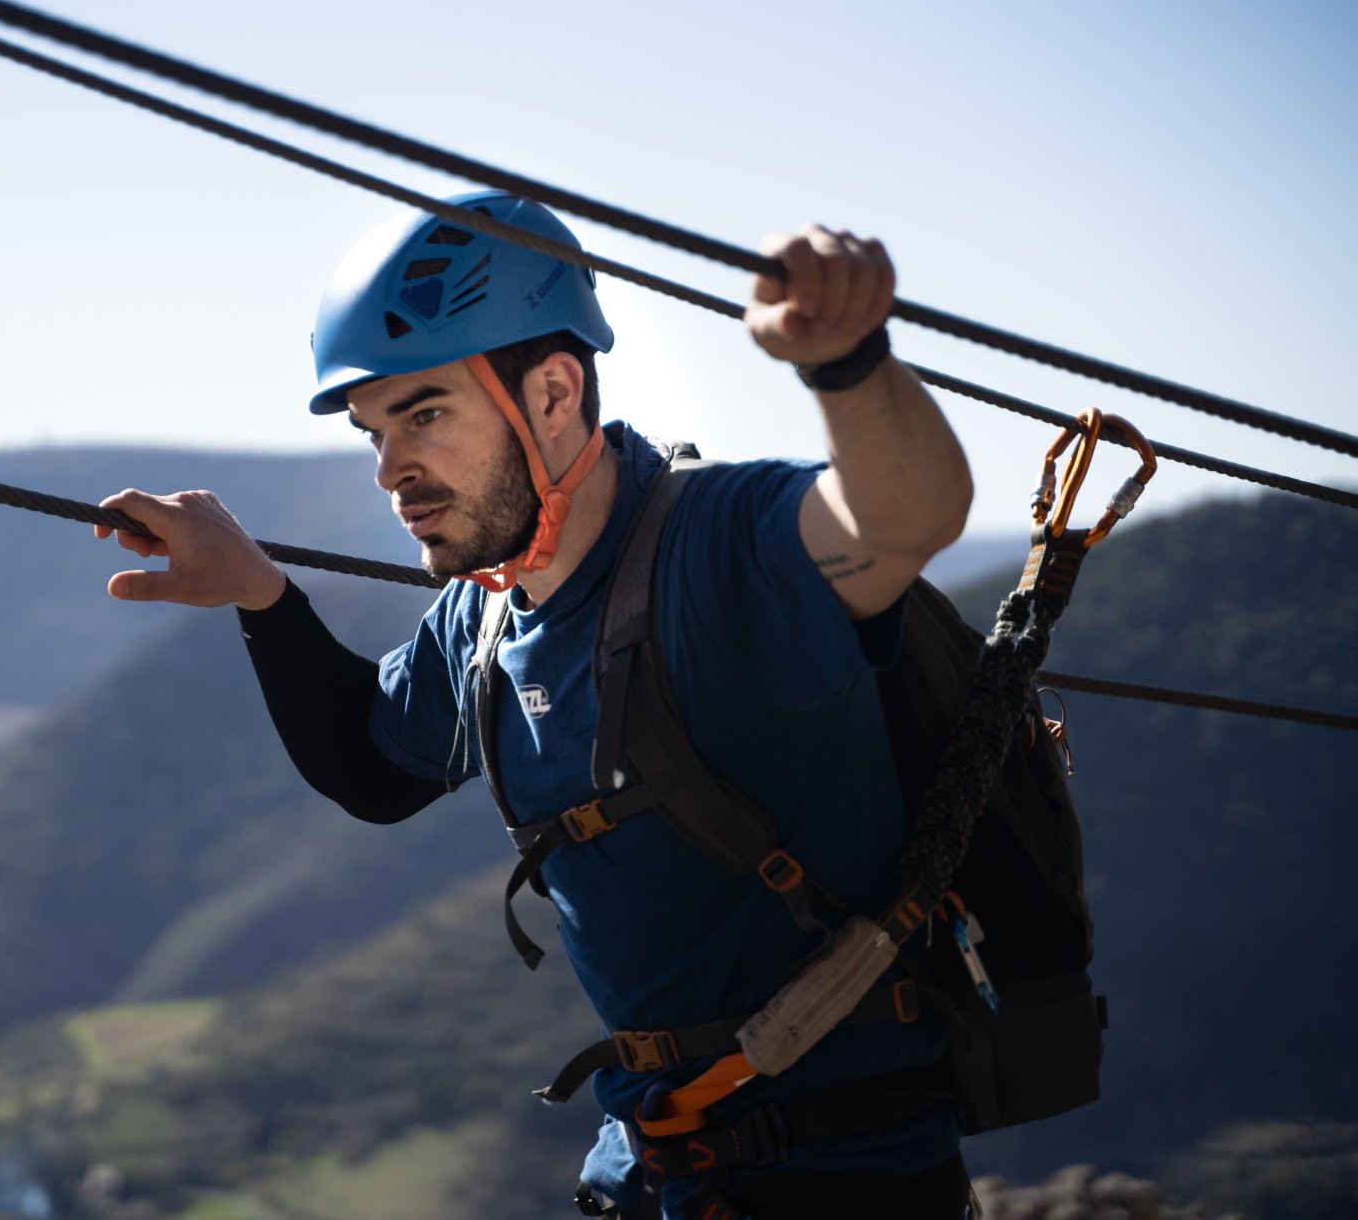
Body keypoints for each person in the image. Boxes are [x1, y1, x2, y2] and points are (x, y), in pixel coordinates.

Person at [94, 193, 976, 1219]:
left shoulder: (719, 548)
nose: (390, 471)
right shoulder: (486, 615)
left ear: (553, 392)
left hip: (839, 1182)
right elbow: (376, 768)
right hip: (662, 1172)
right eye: (373, 430)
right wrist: (260, 596)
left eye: (423, 414)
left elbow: (904, 520)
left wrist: (847, 366)